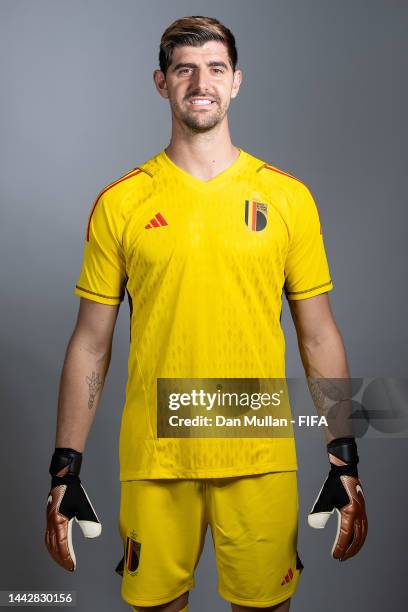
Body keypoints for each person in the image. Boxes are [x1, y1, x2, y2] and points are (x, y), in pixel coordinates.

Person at [45, 15, 367, 612]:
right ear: (161, 82)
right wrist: (65, 469)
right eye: (184, 69)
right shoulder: (122, 203)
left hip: (259, 454)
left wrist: (343, 453)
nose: (201, 81)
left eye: (215, 68)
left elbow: (318, 333)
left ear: (236, 82)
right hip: (157, 457)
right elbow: (90, 344)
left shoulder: (287, 197)